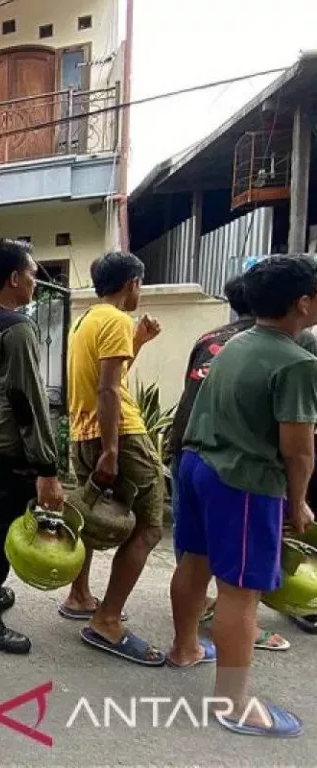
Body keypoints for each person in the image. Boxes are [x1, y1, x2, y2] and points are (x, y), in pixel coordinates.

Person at [169, 255, 317, 738]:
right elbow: (297, 450)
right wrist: (297, 502)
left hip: (195, 466)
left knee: (194, 562)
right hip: (243, 481)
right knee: (241, 592)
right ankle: (232, 703)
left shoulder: (232, 343)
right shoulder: (296, 362)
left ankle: (185, 647)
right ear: (302, 302)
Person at [0, 240, 64, 653]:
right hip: (9, 448)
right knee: (2, 528)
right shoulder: (16, 328)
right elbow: (28, 402)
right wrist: (47, 468)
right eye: (33, 273)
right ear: (14, 278)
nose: (37, 281)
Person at [62, 251, 165, 665]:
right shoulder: (117, 320)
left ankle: (80, 595)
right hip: (118, 432)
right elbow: (109, 391)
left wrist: (138, 342)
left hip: (83, 432)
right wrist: (111, 450)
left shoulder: (87, 320)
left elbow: (109, 380)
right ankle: (107, 621)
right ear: (133, 284)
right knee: (150, 527)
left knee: (89, 517)